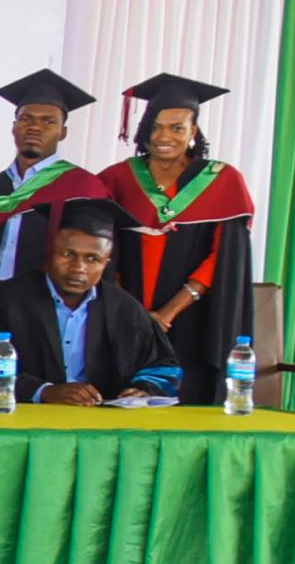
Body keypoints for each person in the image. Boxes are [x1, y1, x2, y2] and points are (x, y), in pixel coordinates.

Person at [99, 72, 256, 406]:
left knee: (186, 400)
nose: (164, 137)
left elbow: (223, 258)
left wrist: (167, 313)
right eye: (155, 127)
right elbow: (102, 250)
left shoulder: (223, 181)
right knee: (122, 399)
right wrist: (134, 312)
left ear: (193, 131)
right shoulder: (118, 178)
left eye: (176, 128)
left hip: (195, 315)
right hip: (126, 314)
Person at [0, 197, 180, 404]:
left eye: (93, 259)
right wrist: (42, 391)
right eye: (68, 254)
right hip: (22, 418)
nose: (78, 268)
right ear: (50, 252)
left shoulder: (124, 308)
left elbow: (162, 367)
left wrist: (144, 388)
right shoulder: (4, 300)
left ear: (106, 262)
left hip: (100, 422)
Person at [0, 69, 109, 279]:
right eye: (26, 118)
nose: (35, 127)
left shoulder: (84, 189)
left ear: (63, 132)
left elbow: (97, 261)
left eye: (48, 121)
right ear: (14, 127)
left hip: (47, 298)